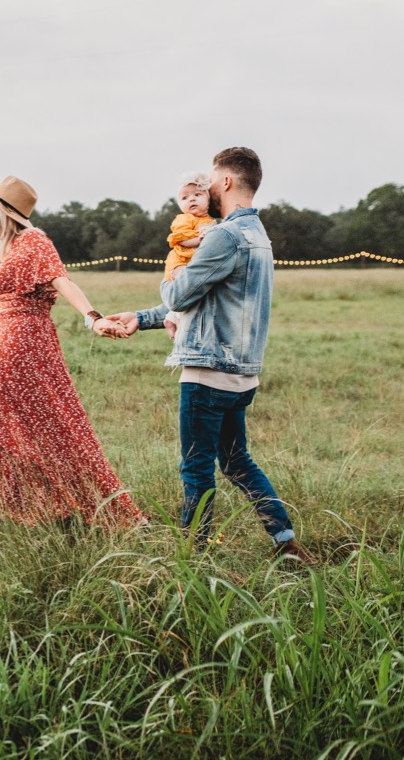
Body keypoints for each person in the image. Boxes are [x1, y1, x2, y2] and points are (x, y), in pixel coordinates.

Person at [106, 148, 313, 562]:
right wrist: (142, 318)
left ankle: (193, 556)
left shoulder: (223, 235)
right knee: (237, 463)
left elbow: (181, 293)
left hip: (208, 372)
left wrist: (174, 275)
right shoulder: (258, 236)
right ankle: (285, 542)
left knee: (196, 468)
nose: (207, 188)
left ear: (228, 182)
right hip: (242, 375)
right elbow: (207, 300)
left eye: (212, 180)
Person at [0, 175, 146, 528]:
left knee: (51, 424)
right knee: (5, 425)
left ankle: (71, 505)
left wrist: (92, 318)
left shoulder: (34, 241)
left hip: (24, 343)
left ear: (2, 212)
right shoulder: (10, 250)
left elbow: (62, 280)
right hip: (5, 342)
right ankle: (12, 509)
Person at [163, 172, 216, 337]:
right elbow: (180, 238)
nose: (191, 199)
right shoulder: (184, 219)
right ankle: (176, 317)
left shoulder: (210, 221)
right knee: (185, 285)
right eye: (185, 198)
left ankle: (172, 317)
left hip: (192, 262)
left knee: (196, 290)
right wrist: (197, 240)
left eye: (197, 195)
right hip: (180, 261)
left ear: (208, 200)